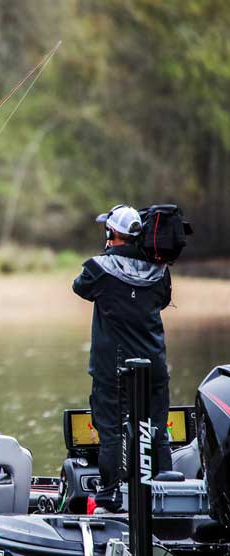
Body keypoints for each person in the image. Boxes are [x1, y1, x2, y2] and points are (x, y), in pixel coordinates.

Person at [73, 204, 172, 513]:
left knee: (112, 431)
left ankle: (110, 498)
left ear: (111, 233)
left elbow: (80, 287)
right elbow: (163, 299)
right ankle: (166, 495)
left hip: (113, 368)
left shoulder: (98, 268)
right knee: (156, 428)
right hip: (154, 364)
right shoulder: (160, 271)